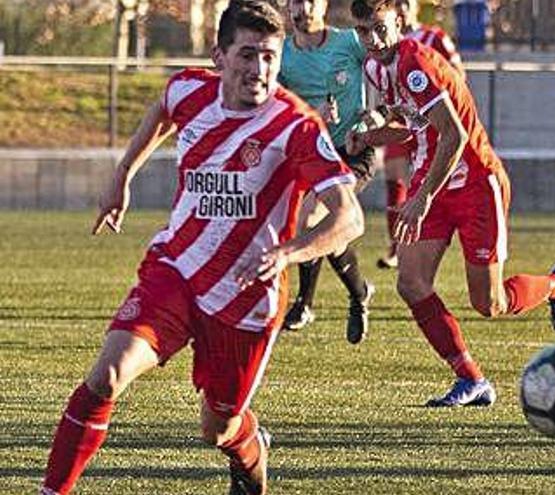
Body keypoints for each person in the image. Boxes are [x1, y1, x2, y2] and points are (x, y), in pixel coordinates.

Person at [39, 2, 364, 494]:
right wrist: (122, 174)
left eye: (271, 58)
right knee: (106, 375)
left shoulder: (295, 127)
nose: (260, 70)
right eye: (248, 55)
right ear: (220, 56)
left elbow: (349, 217)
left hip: (245, 298)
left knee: (218, 429)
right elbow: (162, 112)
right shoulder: (189, 89)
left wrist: (288, 253)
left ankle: (251, 449)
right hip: (177, 269)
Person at [348, 0, 555, 407]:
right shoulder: (374, 67)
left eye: (380, 28)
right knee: (411, 282)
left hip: (474, 183)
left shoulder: (414, 62)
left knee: (489, 304)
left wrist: (421, 198)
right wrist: (368, 138)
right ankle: (471, 379)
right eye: (364, 31)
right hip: (432, 179)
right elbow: (414, 128)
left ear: (399, 21)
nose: (373, 39)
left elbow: (452, 136)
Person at [277, 0, 377, 344]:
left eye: (310, 1)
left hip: (354, 150)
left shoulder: (349, 42)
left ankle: (304, 303)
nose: (303, 8)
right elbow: (277, 110)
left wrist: (375, 116)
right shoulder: (282, 56)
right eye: (295, 2)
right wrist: (311, 115)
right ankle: (360, 293)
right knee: (329, 230)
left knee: (313, 219)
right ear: (285, 7)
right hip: (313, 155)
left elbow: (383, 69)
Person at [367, 0, 466, 270]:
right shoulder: (377, 54)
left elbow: (458, 77)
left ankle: (423, 237)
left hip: (438, 126)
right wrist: (374, 124)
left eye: (405, 2)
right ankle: (396, 246)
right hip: (409, 124)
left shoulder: (434, 38)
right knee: (394, 176)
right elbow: (391, 102)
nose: (401, 6)